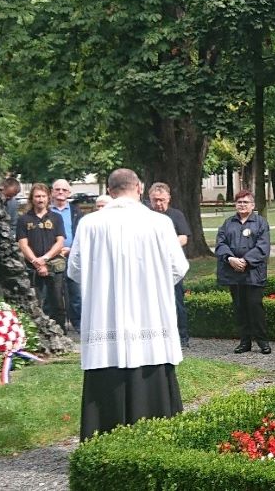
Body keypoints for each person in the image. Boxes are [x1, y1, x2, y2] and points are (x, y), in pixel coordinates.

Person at [67, 168, 188, 441]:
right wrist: (150, 285)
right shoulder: (159, 223)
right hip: (150, 317)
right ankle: (157, 441)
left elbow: (74, 270)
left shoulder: (89, 224)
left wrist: (103, 284)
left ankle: (103, 443)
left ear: (110, 191)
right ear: (140, 188)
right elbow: (178, 268)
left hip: (105, 318)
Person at [215, 190, 272, 354]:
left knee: (255, 307)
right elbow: (220, 244)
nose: (242, 205)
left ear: (252, 205)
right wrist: (230, 259)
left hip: (253, 273)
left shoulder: (261, 223)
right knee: (240, 308)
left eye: (245, 202)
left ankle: (263, 342)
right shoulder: (228, 223)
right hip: (234, 273)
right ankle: (245, 342)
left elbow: (263, 247)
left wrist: (246, 261)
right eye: (239, 202)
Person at [149, 182, 193, 348]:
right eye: (155, 200)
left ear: (168, 199)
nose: (159, 204)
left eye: (162, 200)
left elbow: (184, 237)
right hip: (150, 267)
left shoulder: (176, 215)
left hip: (171, 267)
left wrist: (165, 245)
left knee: (177, 302)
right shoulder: (145, 216)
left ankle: (182, 337)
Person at [17, 183, 66, 326]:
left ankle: (60, 334)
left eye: (43, 196)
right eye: (37, 196)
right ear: (31, 198)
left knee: (58, 303)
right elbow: (23, 244)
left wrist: (45, 259)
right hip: (32, 267)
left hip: (54, 266)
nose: (40, 199)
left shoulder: (56, 218)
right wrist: (36, 262)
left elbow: (60, 242)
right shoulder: (24, 219)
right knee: (34, 303)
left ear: (48, 198)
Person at [49, 179, 83, 332]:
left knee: (75, 291)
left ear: (69, 193)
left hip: (72, 255)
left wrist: (72, 249)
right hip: (52, 257)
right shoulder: (47, 212)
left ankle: (79, 324)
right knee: (55, 293)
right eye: (57, 189)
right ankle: (58, 326)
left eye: (64, 190)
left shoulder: (77, 212)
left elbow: (81, 234)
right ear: (52, 192)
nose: (60, 192)